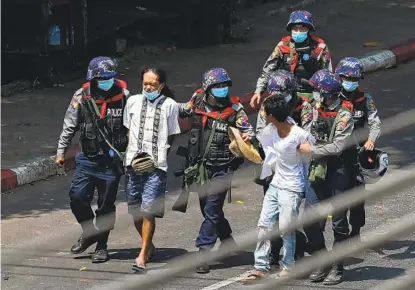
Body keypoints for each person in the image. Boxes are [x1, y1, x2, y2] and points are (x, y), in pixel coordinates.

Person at [177, 67, 255, 274]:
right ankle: (228, 240)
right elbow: (180, 111)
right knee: (208, 209)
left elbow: (248, 131)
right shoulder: (197, 101)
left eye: (224, 86)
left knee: (211, 209)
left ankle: (204, 252)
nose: (222, 90)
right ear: (207, 88)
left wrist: (247, 137)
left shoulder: (235, 109)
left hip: (223, 168)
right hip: (200, 167)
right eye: (217, 86)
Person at [56, 56, 130, 263]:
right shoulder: (81, 97)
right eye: (102, 78)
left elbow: (132, 126)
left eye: (109, 78)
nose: (106, 81)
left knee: (106, 206)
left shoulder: (124, 96)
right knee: (77, 198)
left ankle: (102, 246)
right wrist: (61, 152)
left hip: (112, 162)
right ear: (93, 78)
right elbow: (69, 125)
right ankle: (90, 232)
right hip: (87, 159)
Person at [243, 96, 314, 283]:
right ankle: (260, 267)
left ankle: (289, 266)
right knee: (264, 224)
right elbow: (261, 143)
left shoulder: (298, 134)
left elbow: (312, 151)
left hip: (292, 187)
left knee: (285, 228)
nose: (262, 114)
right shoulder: (271, 129)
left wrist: (307, 149)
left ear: (272, 116)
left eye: (264, 111)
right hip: (276, 183)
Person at [299, 69, 356, 285]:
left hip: (339, 171)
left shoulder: (344, 115)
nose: (313, 95)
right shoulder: (311, 109)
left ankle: (337, 266)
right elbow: (305, 133)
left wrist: (311, 151)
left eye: (316, 91)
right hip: (317, 170)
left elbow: (338, 146)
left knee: (339, 222)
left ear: (327, 94)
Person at [123, 67, 181, 273]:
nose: (148, 87)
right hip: (132, 164)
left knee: (148, 211)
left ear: (161, 86)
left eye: (153, 84)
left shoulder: (170, 106)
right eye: (145, 84)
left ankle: (142, 254)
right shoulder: (132, 102)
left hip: (156, 167)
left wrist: (159, 154)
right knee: (136, 211)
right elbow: (128, 130)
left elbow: (172, 134)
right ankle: (149, 246)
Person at [254, 69, 309, 265]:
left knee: (291, 213)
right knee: (271, 214)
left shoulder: (305, 107)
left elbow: (308, 139)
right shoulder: (267, 107)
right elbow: (262, 133)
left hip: (298, 167)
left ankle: (296, 248)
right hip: (273, 166)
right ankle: (273, 251)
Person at [250, 10, 332, 126]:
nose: (298, 32)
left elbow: (328, 76)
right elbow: (268, 70)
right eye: (295, 29)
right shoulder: (283, 46)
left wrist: (322, 100)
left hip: (311, 95)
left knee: (314, 125)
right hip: (285, 92)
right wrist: (258, 91)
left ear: (309, 30)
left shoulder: (320, 47)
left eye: (302, 29)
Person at [335, 57, 382, 239]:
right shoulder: (332, 99)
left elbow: (375, 124)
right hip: (337, 156)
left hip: (358, 156)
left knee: (357, 197)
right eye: (347, 78)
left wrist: (371, 140)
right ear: (340, 78)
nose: (351, 82)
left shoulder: (365, 100)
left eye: (354, 79)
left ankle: (356, 232)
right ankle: (339, 234)